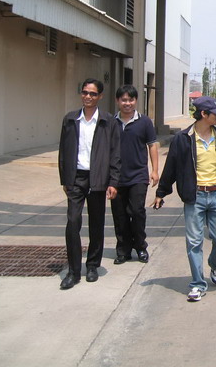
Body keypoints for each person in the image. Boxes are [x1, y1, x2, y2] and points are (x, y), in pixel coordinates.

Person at [152, 96, 216, 301]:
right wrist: (161, 192)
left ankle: (215, 265)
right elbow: (171, 167)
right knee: (194, 242)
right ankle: (197, 283)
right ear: (203, 114)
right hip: (194, 197)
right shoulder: (183, 139)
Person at [58, 78, 120, 289]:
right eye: (85, 92)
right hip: (76, 178)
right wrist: (65, 178)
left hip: (98, 177)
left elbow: (115, 153)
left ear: (100, 96)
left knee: (96, 223)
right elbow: (63, 151)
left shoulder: (108, 121)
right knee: (73, 222)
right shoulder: (70, 119)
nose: (88, 97)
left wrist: (113, 181)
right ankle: (73, 272)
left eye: (93, 94)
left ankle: (92, 265)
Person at [111, 85, 159, 265]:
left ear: (136, 101)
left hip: (138, 175)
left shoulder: (144, 122)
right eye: (124, 100)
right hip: (116, 176)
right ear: (117, 101)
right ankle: (123, 250)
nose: (127, 103)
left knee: (137, 212)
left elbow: (152, 145)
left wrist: (155, 170)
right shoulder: (111, 122)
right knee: (120, 215)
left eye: (130, 100)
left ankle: (140, 247)